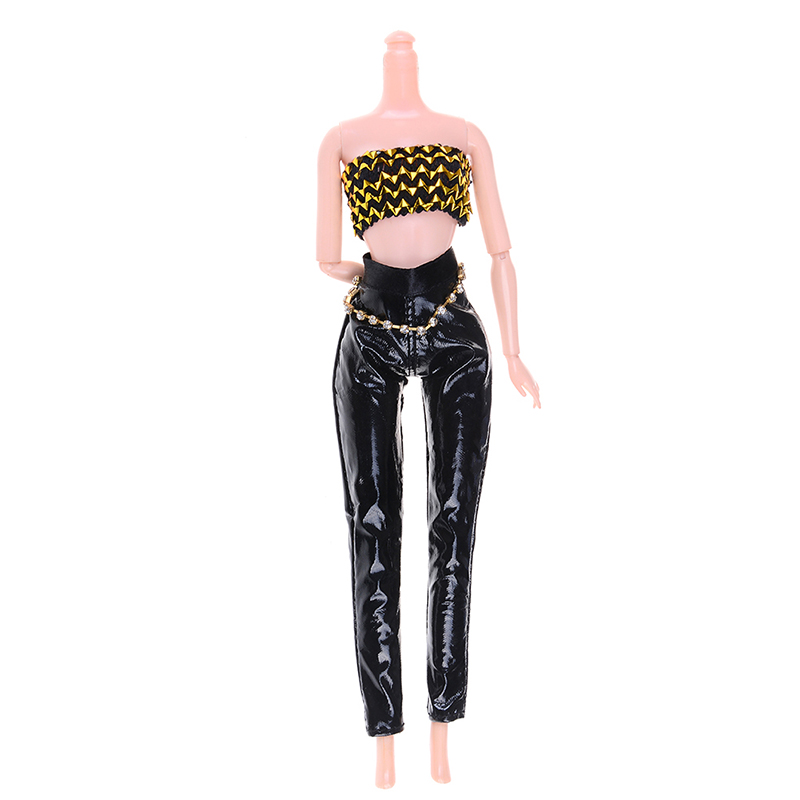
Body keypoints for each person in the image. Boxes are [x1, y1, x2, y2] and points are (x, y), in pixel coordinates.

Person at [316, 30, 540, 788]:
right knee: (372, 524)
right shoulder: (340, 140)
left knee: (454, 520)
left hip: (452, 327)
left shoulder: (465, 134)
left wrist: (512, 350)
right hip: (371, 330)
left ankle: (441, 730)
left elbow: (502, 251)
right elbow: (323, 253)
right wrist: (375, 281)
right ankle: (385, 739)